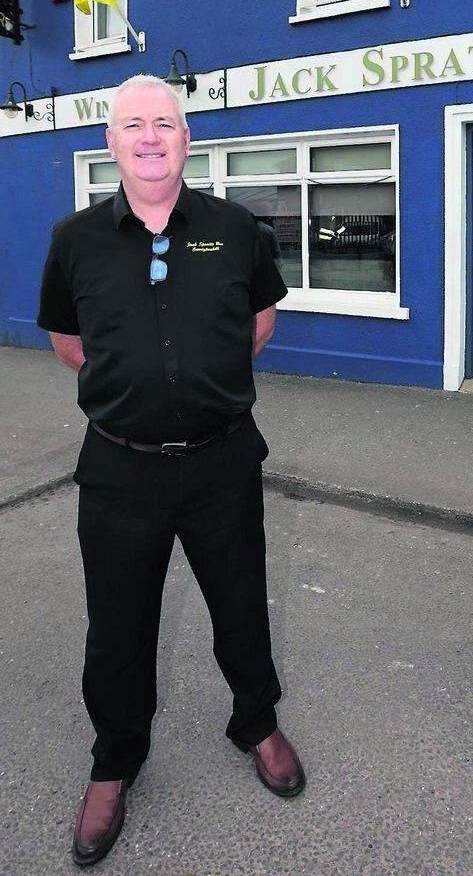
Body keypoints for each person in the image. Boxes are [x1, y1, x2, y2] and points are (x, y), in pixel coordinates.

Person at [37, 74, 305, 868]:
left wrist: (198, 390)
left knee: (240, 609)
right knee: (116, 629)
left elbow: (256, 324)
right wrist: (140, 394)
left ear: (187, 139)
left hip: (224, 462)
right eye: (132, 125)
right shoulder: (73, 238)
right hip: (120, 471)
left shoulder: (237, 230)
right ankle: (116, 760)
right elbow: (68, 343)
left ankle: (255, 722)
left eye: (165, 123)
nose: (149, 137)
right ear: (111, 142)